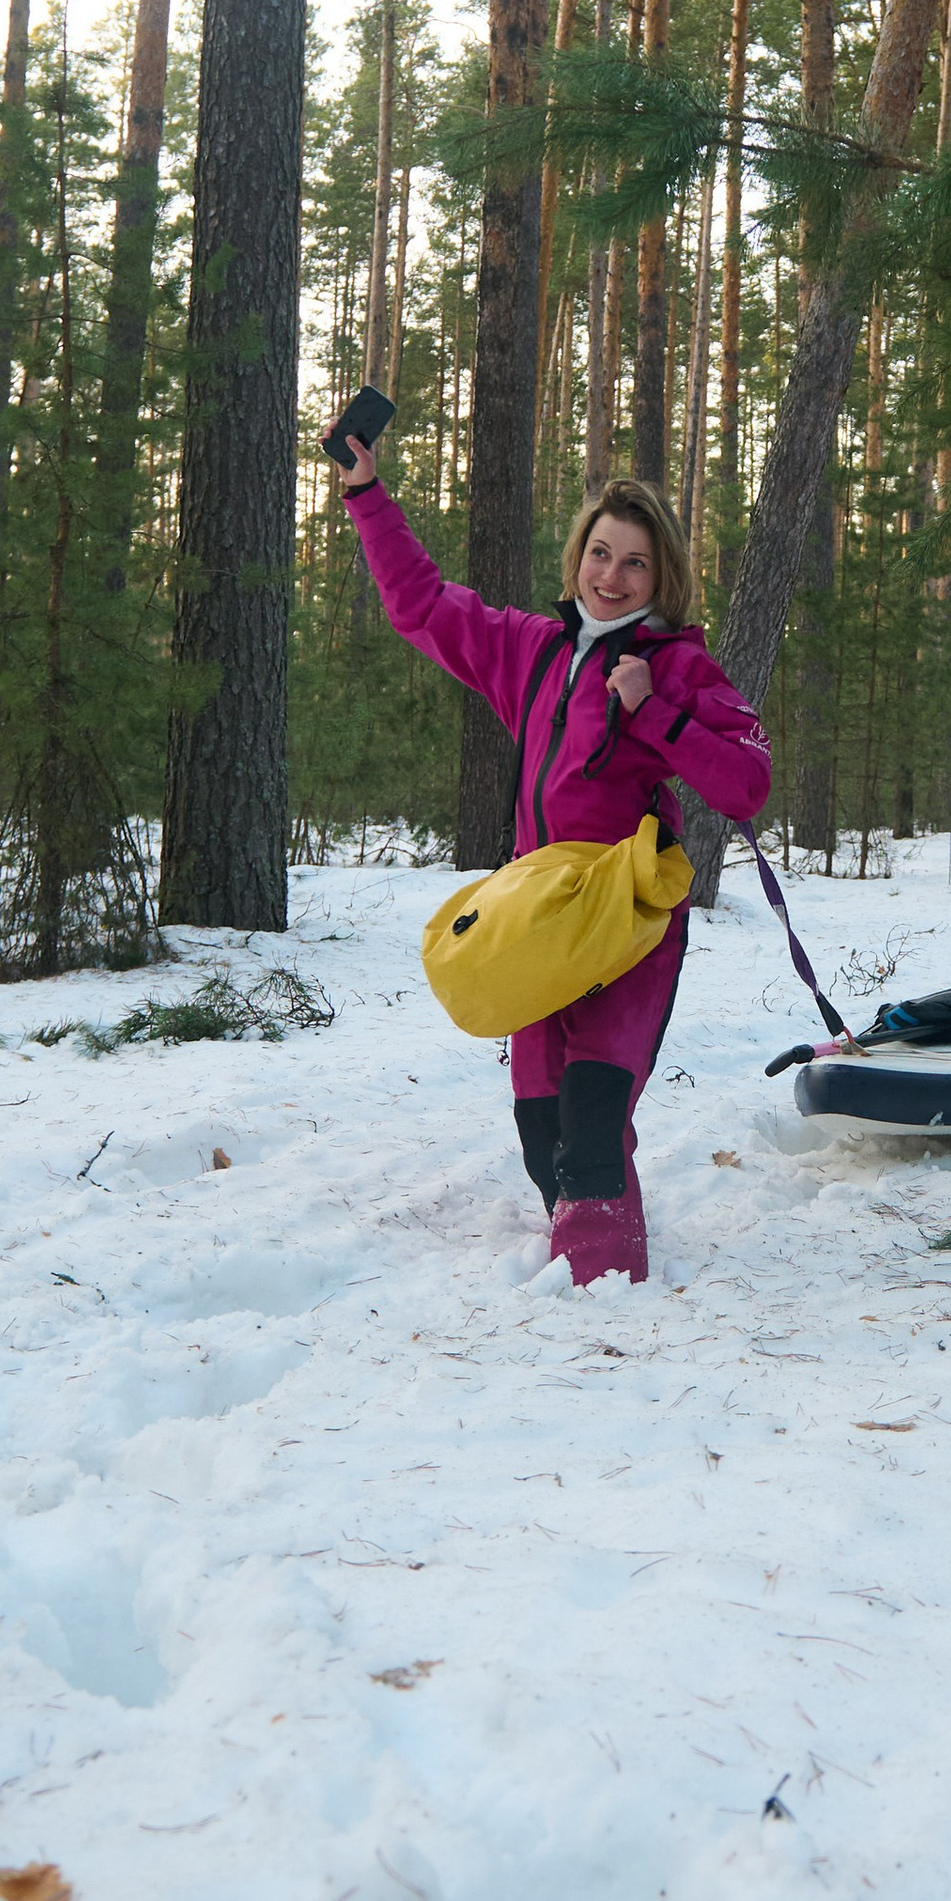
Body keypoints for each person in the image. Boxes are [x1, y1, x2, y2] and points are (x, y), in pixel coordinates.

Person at [337, 433, 771, 1285]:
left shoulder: (678, 666)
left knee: (594, 1114)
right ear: (577, 559)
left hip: (627, 921)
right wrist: (367, 493)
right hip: (538, 920)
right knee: (544, 1132)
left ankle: (605, 1310)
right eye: (600, 554)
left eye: (635, 564)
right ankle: (581, 1263)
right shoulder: (529, 649)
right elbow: (421, 604)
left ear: (663, 577)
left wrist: (653, 714)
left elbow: (746, 783)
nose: (612, 577)